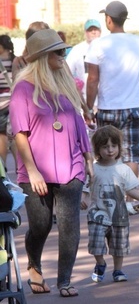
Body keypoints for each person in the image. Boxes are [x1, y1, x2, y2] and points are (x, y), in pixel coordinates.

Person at [9, 29, 94, 297]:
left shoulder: (64, 82)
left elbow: (78, 120)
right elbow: (20, 134)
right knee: (41, 225)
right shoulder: (23, 89)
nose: (63, 55)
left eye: (64, 51)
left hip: (71, 167)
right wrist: (32, 170)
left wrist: (88, 156)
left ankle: (65, 280)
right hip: (35, 171)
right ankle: (34, 266)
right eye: (58, 52)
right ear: (43, 56)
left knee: (70, 225)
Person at [86, 0, 139, 180]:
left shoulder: (98, 45)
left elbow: (93, 79)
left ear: (109, 20)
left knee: (106, 154)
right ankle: (129, 199)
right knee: (131, 155)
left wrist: (88, 107)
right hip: (134, 106)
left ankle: (111, 195)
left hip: (107, 108)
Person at [81, 125, 139, 283]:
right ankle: (100, 263)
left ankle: (118, 270)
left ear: (119, 147)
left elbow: (131, 190)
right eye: (105, 147)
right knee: (95, 242)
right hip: (97, 214)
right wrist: (83, 200)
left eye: (114, 146)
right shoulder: (92, 169)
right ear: (97, 149)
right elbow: (86, 188)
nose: (110, 150)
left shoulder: (123, 169)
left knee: (119, 246)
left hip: (119, 215)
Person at [66, 19, 102, 103]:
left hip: (104, 100)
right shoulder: (77, 50)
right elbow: (67, 71)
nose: (93, 32)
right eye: (90, 30)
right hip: (84, 100)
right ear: (85, 32)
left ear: (100, 32)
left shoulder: (106, 48)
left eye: (96, 29)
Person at [0, 35, 15, 168]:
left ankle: (3, 166)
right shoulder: (15, 60)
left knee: (2, 135)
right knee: (16, 135)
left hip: (1, 103)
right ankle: (19, 166)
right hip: (13, 101)